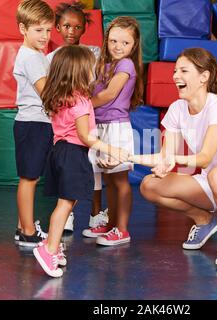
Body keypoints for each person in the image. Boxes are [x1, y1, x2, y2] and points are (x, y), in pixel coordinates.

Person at [131, 48, 217, 268]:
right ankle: (204, 220)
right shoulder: (176, 109)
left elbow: (204, 158)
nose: (175, 76)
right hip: (211, 182)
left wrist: (172, 159)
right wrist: (129, 159)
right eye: (175, 71)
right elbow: (166, 155)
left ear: (204, 77)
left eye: (183, 71)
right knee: (149, 185)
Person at [33, 45, 129, 277]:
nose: (94, 72)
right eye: (91, 68)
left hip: (59, 152)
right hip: (72, 154)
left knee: (68, 202)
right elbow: (85, 136)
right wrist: (111, 149)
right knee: (65, 204)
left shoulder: (61, 97)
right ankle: (49, 249)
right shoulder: (81, 101)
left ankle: (52, 245)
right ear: (80, 72)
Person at [47, 1, 108, 233]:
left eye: (77, 27)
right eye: (66, 26)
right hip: (68, 121)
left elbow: (101, 86)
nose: (72, 31)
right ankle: (68, 216)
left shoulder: (93, 53)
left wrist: (83, 105)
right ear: (58, 28)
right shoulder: (53, 57)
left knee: (92, 166)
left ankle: (95, 214)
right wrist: (74, 105)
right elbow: (52, 92)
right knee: (70, 169)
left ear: (84, 28)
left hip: (89, 115)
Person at [83, 16, 143, 246]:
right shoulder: (103, 64)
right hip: (101, 125)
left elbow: (109, 95)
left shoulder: (126, 65)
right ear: (106, 40)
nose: (118, 47)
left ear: (134, 45)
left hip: (116, 127)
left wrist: (82, 106)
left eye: (125, 43)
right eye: (114, 41)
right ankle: (111, 224)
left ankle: (122, 229)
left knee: (120, 180)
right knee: (109, 179)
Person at [13, 0, 54, 247]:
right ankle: (28, 232)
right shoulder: (31, 57)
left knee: (31, 178)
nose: (45, 36)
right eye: (39, 30)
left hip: (36, 123)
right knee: (29, 178)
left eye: (49, 30)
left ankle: (23, 226)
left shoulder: (36, 55)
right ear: (23, 28)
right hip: (33, 124)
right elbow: (47, 93)